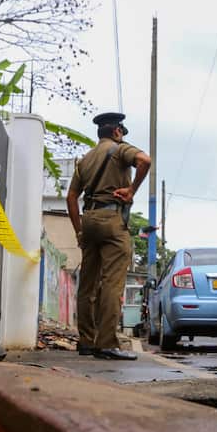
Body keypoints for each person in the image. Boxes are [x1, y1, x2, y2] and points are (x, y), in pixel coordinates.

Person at [66, 112, 153, 360]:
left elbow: (71, 198)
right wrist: (131, 190)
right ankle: (106, 344)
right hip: (112, 220)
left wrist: (79, 230)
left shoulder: (85, 160)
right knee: (112, 284)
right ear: (117, 132)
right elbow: (145, 160)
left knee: (87, 285)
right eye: (121, 133)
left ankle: (86, 342)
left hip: (89, 220)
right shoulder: (120, 149)